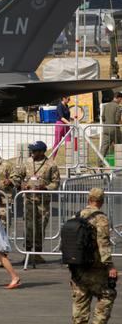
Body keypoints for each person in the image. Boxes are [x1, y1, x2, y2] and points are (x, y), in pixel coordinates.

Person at [70, 188, 116, 324]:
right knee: (107, 295)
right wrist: (109, 265)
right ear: (101, 201)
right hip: (95, 268)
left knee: (80, 300)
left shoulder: (76, 216)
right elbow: (103, 243)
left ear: (88, 199)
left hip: (77, 267)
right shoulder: (101, 218)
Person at [17, 140, 60, 264]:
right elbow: (17, 176)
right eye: (31, 150)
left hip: (43, 202)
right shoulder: (28, 162)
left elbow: (56, 183)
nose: (32, 153)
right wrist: (21, 184)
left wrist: (45, 188)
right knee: (29, 226)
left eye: (35, 151)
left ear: (42, 152)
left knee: (40, 226)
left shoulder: (51, 164)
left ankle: (38, 253)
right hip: (29, 200)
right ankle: (28, 252)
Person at [100, 92, 122, 158]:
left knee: (104, 148)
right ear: (118, 98)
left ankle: (99, 164)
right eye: (121, 99)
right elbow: (117, 120)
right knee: (119, 146)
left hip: (106, 129)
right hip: (115, 129)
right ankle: (119, 163)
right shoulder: (117, 107)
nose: (120, 101)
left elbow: (103, 117)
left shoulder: (106, 105)